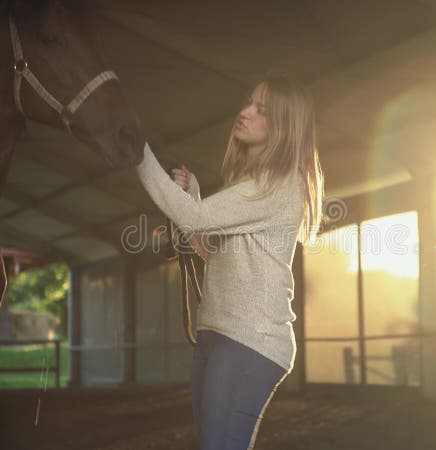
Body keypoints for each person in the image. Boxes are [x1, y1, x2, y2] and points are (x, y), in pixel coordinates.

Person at [135, 75, 324, 450]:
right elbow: (210, 249)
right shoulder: (251, 183)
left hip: (248, 340)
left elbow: (195, 220)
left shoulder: (279, 184)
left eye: (261, 110)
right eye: (248, 103)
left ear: (283, 127)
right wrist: (193, 194)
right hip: (217, 334)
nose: (244, 112)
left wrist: (137, 156)